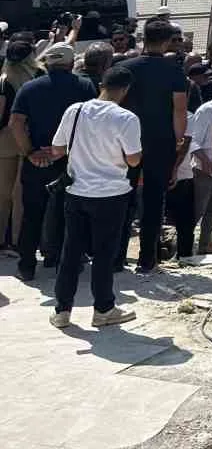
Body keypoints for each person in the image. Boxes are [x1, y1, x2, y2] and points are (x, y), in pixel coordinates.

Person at [48, 63, 143, 329]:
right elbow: (134, 160)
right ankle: (103, 309)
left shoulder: (75, 110)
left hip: (77, 191)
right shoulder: (127, 118)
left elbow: (57, 149)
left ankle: (62, 311)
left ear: (102, 84)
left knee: (70, 252)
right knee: (104, 254)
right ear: (125, 90)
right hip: (111, 195)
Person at [9, 42, 95, 279]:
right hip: (71, 160)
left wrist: (30, 152)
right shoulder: (85, 86)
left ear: (47, 62)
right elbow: (91, 123)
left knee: (32, 213)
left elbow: (16, 123)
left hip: (38, 161)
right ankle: (63, 262)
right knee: (69, 214)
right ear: (71, 63)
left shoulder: (30, 87)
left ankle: (27, 265)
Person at [123, 17, 190, 273]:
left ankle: (116, 257)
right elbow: (179, 109)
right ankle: (147, 260)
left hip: (126, 141)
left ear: (144, 37)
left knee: (123, 198)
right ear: (167, 42)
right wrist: (178, 140)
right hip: (161, 142)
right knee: (153, 202)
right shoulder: (174, 71)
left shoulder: (125, 67)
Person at [173, 77, 212, 259]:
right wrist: (205, 160)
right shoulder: (206, 110)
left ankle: (203, 248)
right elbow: (194, 141)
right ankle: (181, 250)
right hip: (204, 169)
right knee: (196, 212)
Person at [0, 36, 41, 249]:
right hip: (30, 136)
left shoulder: (3, 80)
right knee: (21, 194)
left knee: (2, 192)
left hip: (5, 137)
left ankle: (1, 238)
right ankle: (18, 240)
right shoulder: (39, 77)